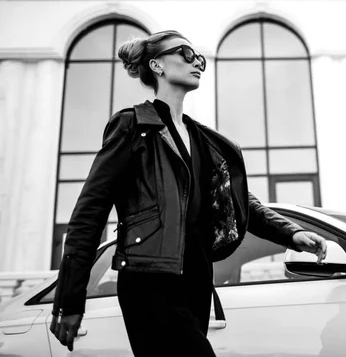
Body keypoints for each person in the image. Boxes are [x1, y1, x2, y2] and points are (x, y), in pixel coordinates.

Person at [50, 30, 328, 356]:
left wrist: (292, 235)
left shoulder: (204, 141)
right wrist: (70, 299)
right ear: (157, 64)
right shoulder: (133, 125)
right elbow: (90, 211)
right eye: (185, 53)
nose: (196, 61)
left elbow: (239, 203)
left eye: (200, 58)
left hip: (197, 281)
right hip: (148, 280)